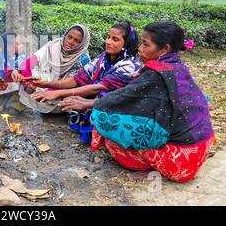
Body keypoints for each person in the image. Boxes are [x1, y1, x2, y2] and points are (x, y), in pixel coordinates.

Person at [89, 21, 215, 182]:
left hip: (181, 164)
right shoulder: (179, 67)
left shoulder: (156, 72)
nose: (140, 49)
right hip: (201, 147)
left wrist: (92, 105)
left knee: (112, 139)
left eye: (146, 45)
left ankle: (156, 167)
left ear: (165, 49)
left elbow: (121, 100)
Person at [17, 24, 91, 114]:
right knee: (25, 74)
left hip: (63, 93)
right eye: (69, 37)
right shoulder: (53, 46)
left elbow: (73, 83)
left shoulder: (83, 59)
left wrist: (50, 93)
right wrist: (27, 84)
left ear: (82, 43)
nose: (71, 42)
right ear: (65, 35)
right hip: (44, 86)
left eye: (77, 41)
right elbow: (27, 64)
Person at [0, 32, 27, 113]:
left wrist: (15, 69)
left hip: (14, 86)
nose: (22, 45)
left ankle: (14, 105)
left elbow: (21, 61)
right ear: (9, 47)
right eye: (18, 44)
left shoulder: (21, 53)